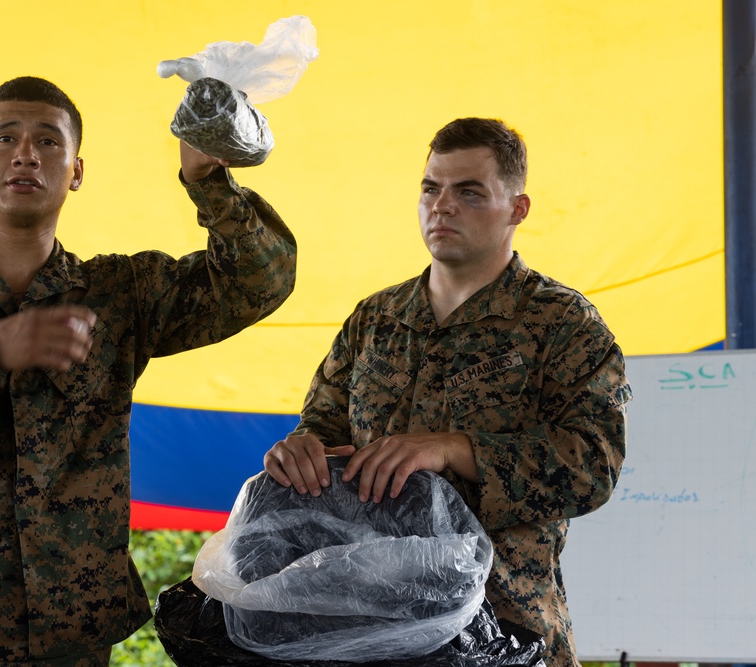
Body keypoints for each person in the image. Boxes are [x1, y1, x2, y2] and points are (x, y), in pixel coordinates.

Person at [0, 76, 297, 667]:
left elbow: (260, 280)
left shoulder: (118, 295)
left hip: (64, 636)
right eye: (5, 139)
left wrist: (208, 180)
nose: (25, 154)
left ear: (75, 172)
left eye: (49, 142)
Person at [263, 117, 630, 666]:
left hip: (505, 631)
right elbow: (322, 428)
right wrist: (302, 451)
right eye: (430, 189)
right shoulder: (375, 319)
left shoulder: (562, 323)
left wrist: (454, 449)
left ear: (517, 209)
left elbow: (593, 465)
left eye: (469, 192)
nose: (442, 206)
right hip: (367, 629)